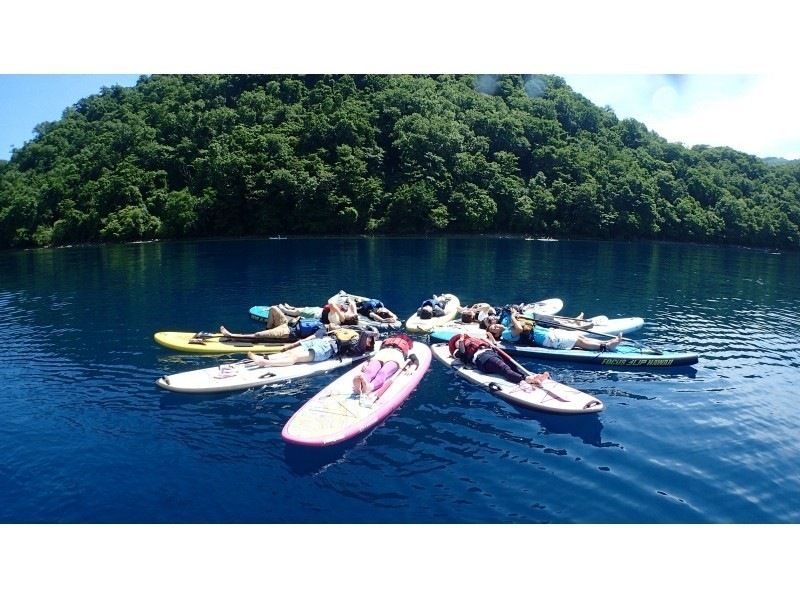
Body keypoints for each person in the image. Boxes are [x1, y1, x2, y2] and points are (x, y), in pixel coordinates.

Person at [484, 309, 621, 351]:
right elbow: (519, 329)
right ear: (496, 334)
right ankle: (606, 346)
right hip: (548, 340)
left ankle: (607, 342)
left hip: (549, 333)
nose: (495, 326)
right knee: (579, 342)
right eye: (493, 329)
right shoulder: (506, 334)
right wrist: (514, 317)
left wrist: (517, 314)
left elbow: (527, 320)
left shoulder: (507, 325)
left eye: (494, 325)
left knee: (581, 339)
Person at [447, 333, 550, 387]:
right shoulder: (458, 351)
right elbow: (463, 353)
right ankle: (526, 379)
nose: (460, 340)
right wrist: (460, 342)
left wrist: (489, 338)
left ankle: (531, 376)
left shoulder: (472, 340)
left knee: (513, 365)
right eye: (456, 342)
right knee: (503, 368)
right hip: (482, 359)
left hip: (491, 353)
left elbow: (494, 344)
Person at [247, 328, 378, 368]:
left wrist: (370, 335)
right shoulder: (353, 336)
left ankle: (265, 363)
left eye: (369, 340)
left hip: (327, 349)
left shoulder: (358, 349)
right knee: (290, 351)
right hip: (321, 341)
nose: (367, 339)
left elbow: (364, 339)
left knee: (295, 357)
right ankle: (264, 357)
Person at [220, 305, 327, 341]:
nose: (334, 324)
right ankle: (268, 331)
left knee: (257, 335)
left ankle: (231, 335)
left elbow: (311, 338)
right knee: (273, 308)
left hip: (287, 332)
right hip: (287, 323)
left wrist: (296, 344)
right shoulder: (320, 320)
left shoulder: (322, 330)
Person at [278, 299, 358, 326]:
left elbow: (331, 304)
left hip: (316, 315)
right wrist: (355, 313)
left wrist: (340, 314)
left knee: (299, 312)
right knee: (304, 308)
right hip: (319, 310)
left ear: (348, 319)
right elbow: (352, 303)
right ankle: (290, 307)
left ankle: (285, 310)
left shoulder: (337, 320)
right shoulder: (344, 316)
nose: (349, 313)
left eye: (350, 315)